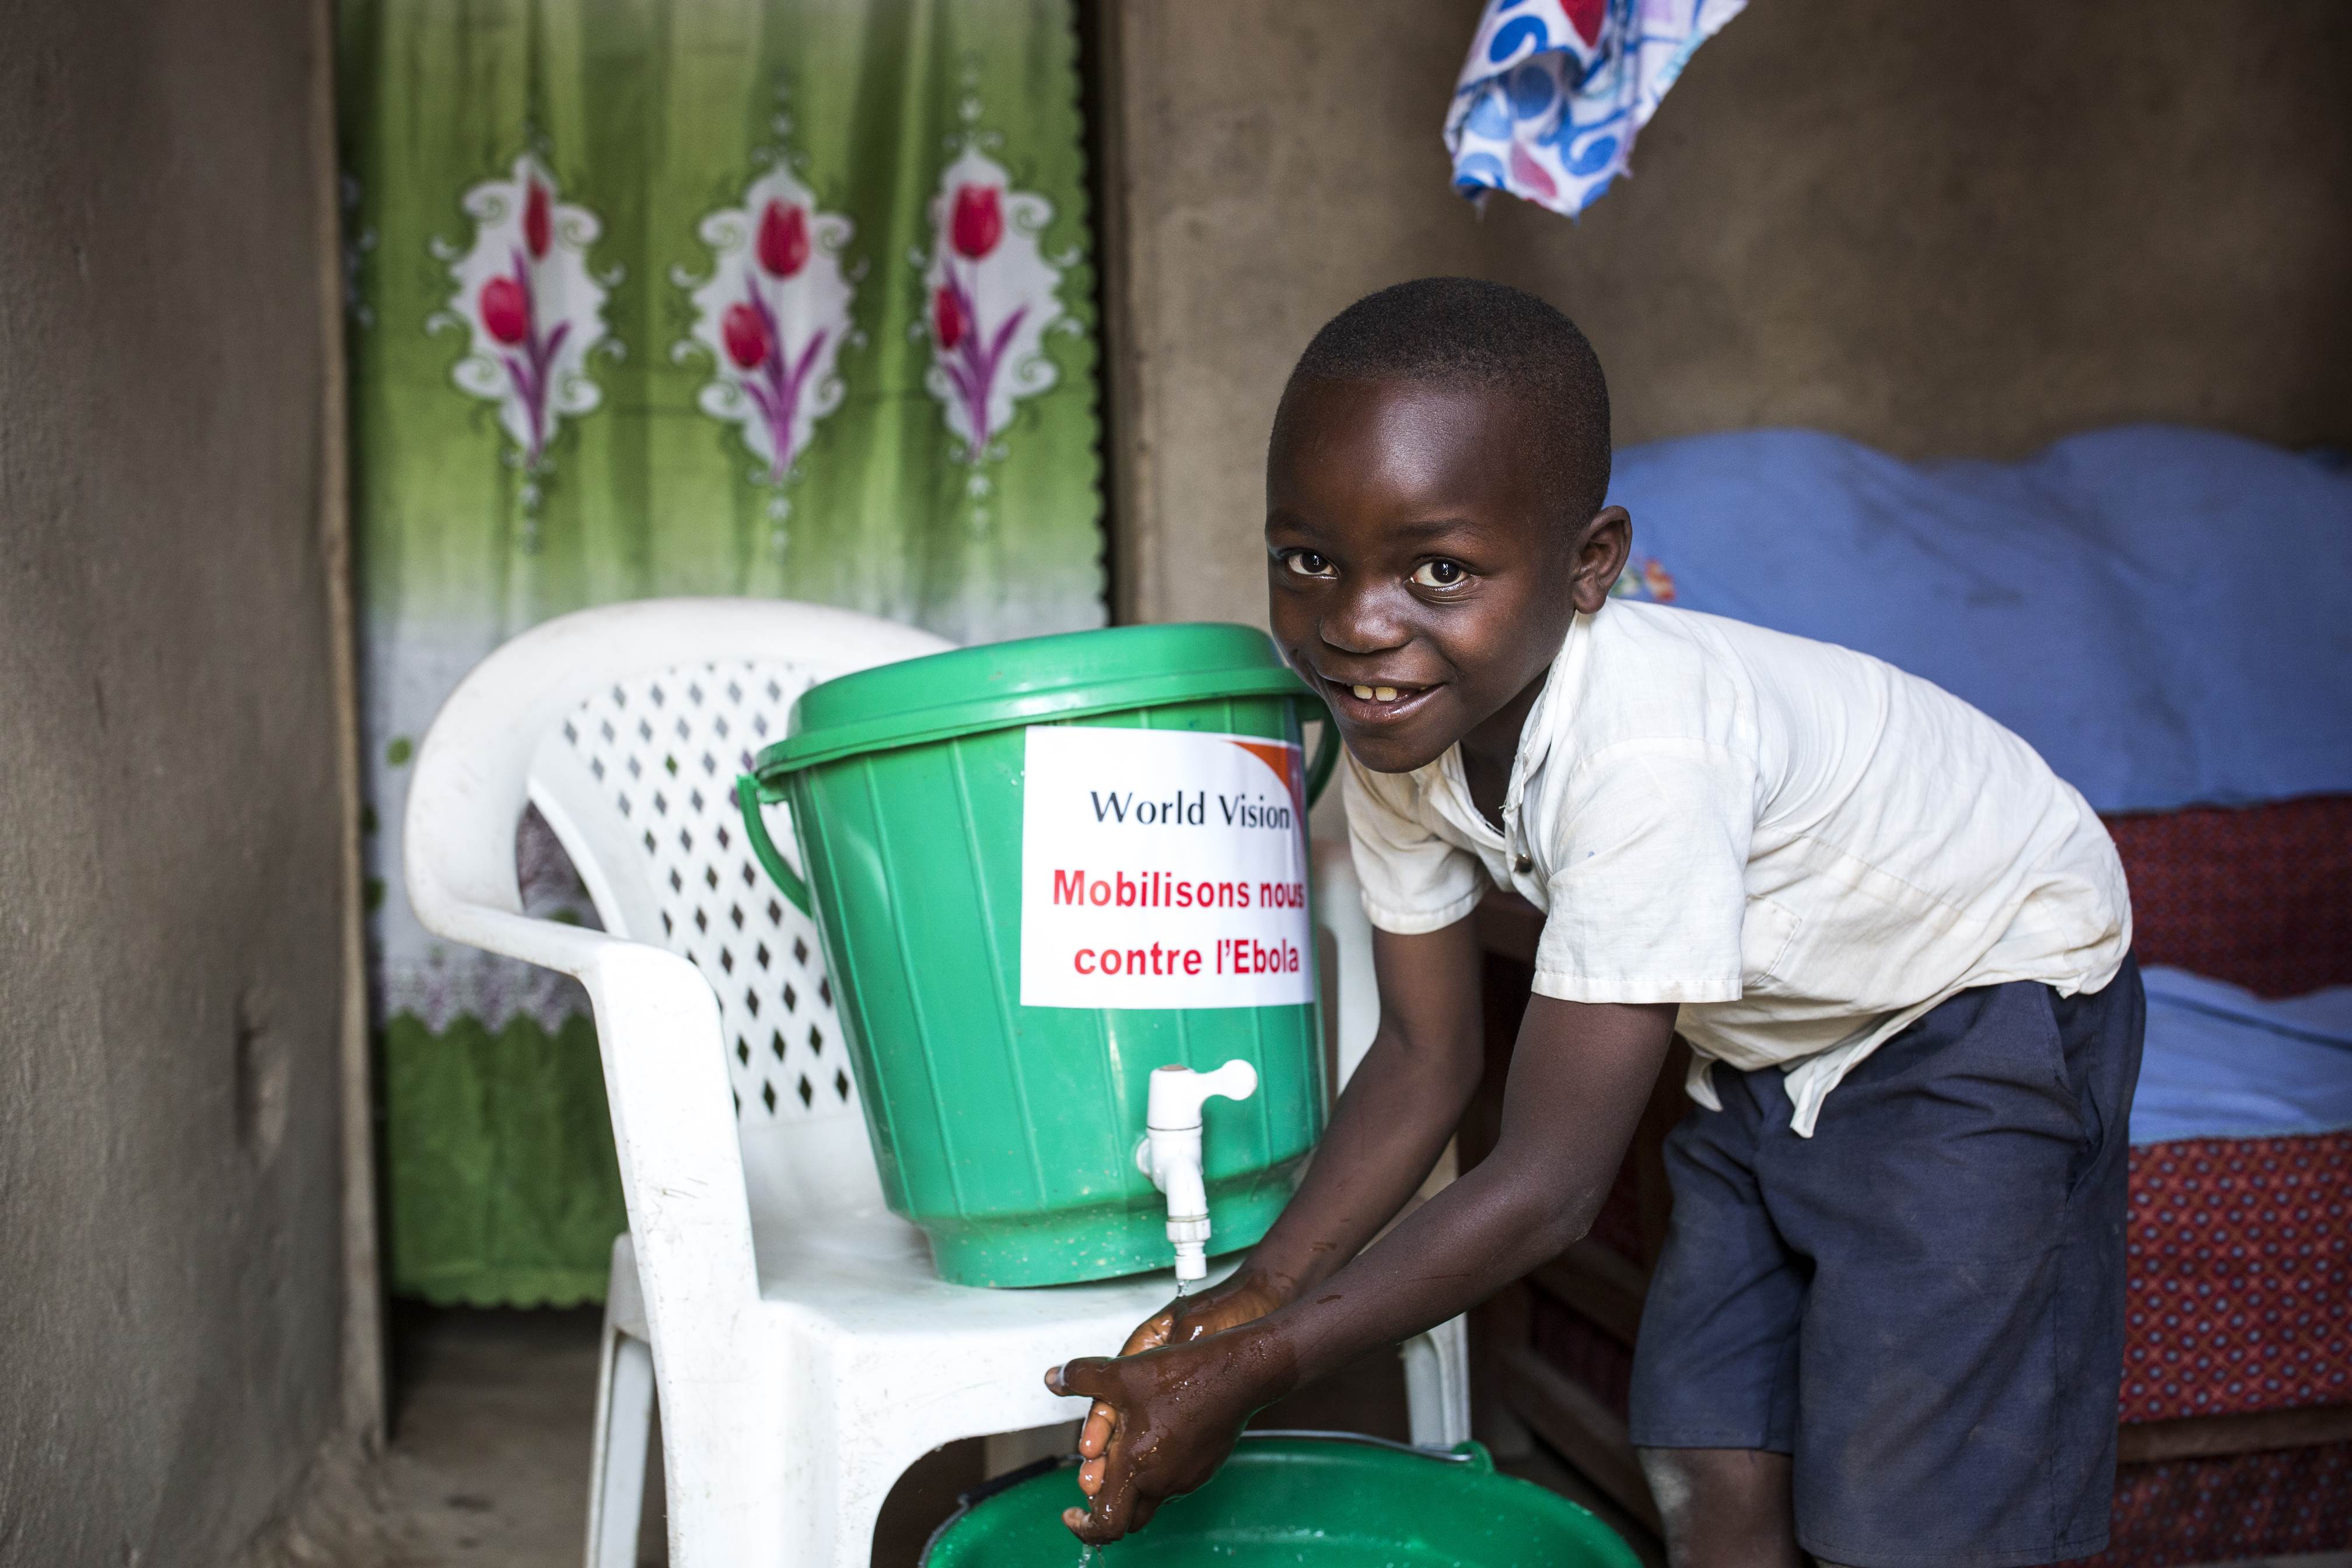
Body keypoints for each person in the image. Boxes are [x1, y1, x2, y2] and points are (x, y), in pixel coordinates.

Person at [1045, 277, 2140, 1568]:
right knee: (1707, 1446)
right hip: (1768, 1046)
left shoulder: (1648, 753)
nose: (1354, 626)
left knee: (1916, 1513)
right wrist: (1250, 1303)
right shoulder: (1406, 724)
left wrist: (1262, 1370)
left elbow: (1552, 1184)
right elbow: (1424, 1059)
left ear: (1589, 565)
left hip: (1976, 994)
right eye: (1308, 560)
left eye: (1438, 570)